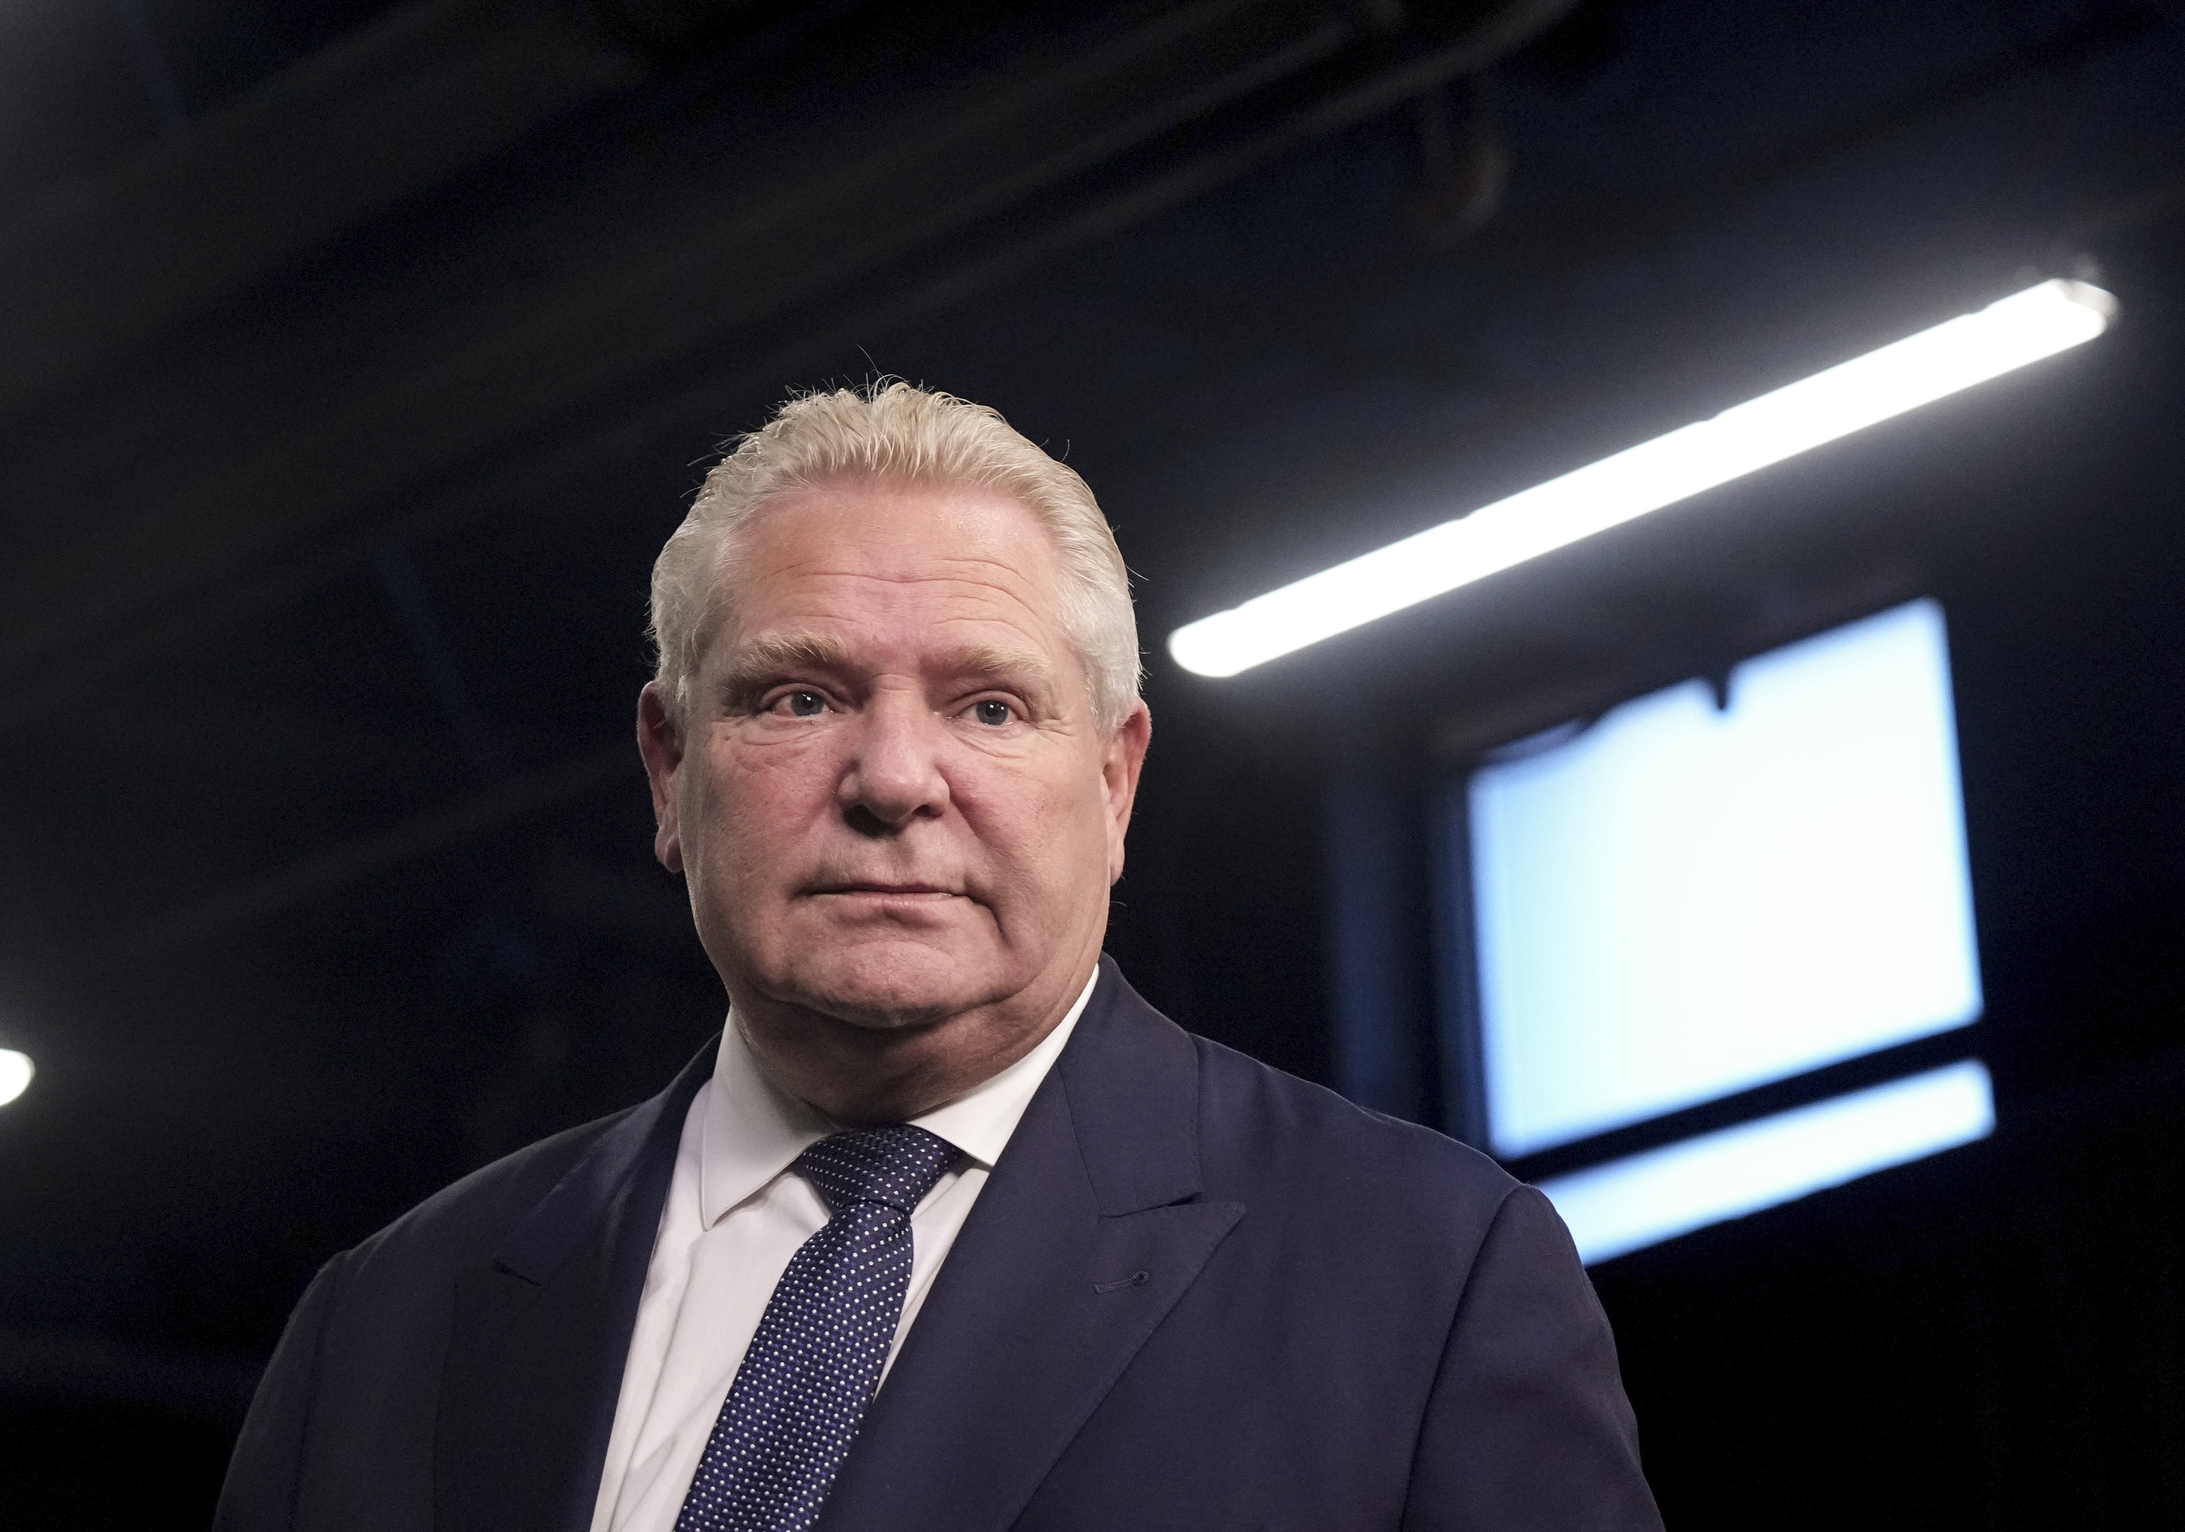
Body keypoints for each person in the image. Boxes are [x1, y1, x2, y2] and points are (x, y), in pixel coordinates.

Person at [216, 382, 1660, 1532]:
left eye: (988, 707)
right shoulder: (383, 1332)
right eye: (798, 695)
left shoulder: (1421, 1274)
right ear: (668, 771)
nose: (894, 778)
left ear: (1113, 785)